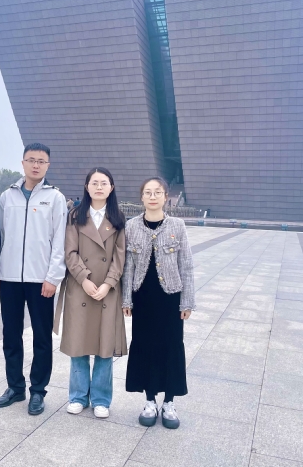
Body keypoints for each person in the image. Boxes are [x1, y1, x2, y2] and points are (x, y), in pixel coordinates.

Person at [0, 143, 67, 415]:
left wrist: (53, 277)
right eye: (31, 160)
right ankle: (15, 387)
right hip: (10, 278)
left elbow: (60, 240)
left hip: (41, 280)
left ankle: (38, 391)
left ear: (48, 165)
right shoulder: (7, 197)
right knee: (11, 335)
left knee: (41, 337)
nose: (36, 165)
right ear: (22, 162)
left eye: (41, 161)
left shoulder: (55, 198)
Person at [122, 177, 195, 429]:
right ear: (141, 197)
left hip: (170, 298)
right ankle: (150, 400)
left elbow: (186, 264)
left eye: (157, 192)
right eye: (148, 192)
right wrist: (126, 298)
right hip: (143, 297)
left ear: (165, 196)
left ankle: (169, 402)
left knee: (171, 346)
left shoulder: (177, 225)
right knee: (145, 346)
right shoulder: (131, 226)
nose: (152, 197)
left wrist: (187, 302)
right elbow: (127, 266)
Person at [54, 168, 127, 419]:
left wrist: (108, 284)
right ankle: (77, 396)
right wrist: (84, 279)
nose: (98, 187)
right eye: (94, 183)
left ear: (111, 187)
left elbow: (120, 257)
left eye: (103, 183)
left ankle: (101, 399)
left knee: (105, 347)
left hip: (108, 291)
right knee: (79, 345)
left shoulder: (118, 217)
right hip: (80, 288)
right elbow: (70, 252)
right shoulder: (76, 215)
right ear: (86, 187)